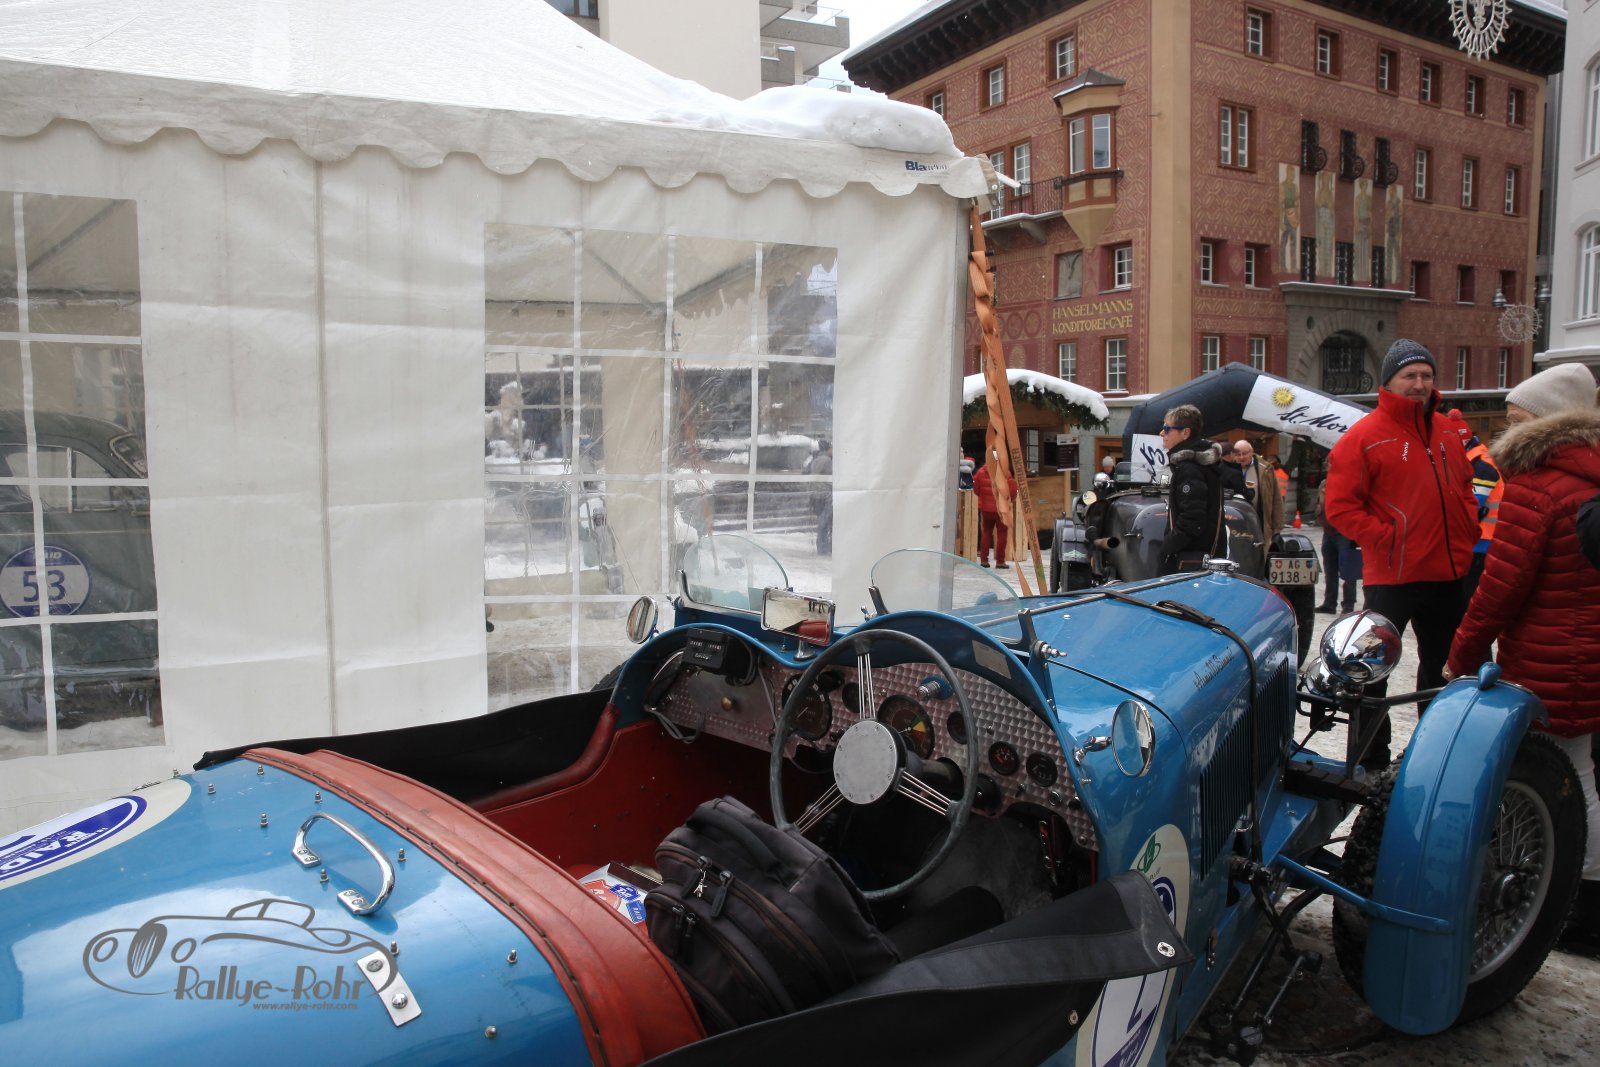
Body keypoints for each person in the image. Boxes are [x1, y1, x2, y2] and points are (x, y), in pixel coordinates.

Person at [1443, 362, 1600, 943]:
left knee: (1553, 776)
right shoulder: (1590, 478)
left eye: (1516, 419)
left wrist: (1462, 655)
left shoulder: (1537, 487)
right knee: (1581, 769)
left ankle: (1571, 901)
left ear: (1546, 422)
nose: (1507, 429)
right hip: (1586, 655)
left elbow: (1500, 589)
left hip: (1548, 658)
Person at [1323, 339, 1478, 768]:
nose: (1419, 383)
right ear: (1389, 382)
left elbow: (1465, 487)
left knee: (1446, 669)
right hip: (1393, 576)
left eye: (1426, 375)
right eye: (1410, 375)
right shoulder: (1363, 437)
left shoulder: (1447, 431)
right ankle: (1370, 759)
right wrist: (1387, 538)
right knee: (1371, 673)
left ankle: (1438, 753)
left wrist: (1468, 528)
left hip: (1448, 573)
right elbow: (1340, 508)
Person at [1443, 408, 1503, 601]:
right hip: (1478, 542)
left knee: (1468, 601)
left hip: (1482, 544)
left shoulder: (1480, 467)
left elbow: (1469, 510)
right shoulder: (1475, 460)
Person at [1158, 404, 1225, 573]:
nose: (1162, 433)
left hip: (1189, 561)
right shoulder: (1198, 464)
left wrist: (1167, 547)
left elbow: (1192, 520)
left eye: (1167, 429)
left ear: (1185, 433)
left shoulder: (1190, 468)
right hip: (1200, 556)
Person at [1313, 480, 1359, 613]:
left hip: (1345, 532)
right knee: (1330, 570)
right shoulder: (1324, 484)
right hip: (1328, 532)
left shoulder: (1348, 482)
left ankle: (1348, 605)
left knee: (1348, 571)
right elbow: (1319, 502)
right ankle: (1329, 603)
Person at [973, 453, 1017, 568]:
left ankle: (984, 560)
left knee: (986, 532)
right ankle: (1000, 561)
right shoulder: (1006, 473)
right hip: (1001, 509)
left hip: (986, 509)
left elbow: (976, 490)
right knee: (1002, 534)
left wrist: (984, 498)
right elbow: (1012, 492)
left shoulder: (980, 473)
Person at [1231, 439, 1283, 533]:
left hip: (1260, 521)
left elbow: (1276, 498)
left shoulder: (1265, 469)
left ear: (1252, 452)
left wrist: (1277, 525)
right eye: (1238, 454)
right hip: (1235, 522)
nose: (1241, 457)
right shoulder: (1228, 468)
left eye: (1245, 453)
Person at [812, 439, 833, 556]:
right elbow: (832, 478)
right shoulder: (827, 461)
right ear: (827, 449)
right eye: (831, 449)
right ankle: (825, 547)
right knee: (826, 522)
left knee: (822, 522)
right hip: (826, 495)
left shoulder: (815, 460)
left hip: (817, 495)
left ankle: (821, 547)